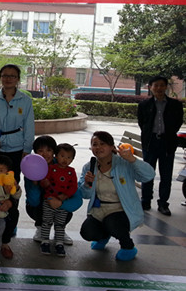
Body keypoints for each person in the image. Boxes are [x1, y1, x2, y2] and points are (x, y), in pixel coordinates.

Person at [0, 63, 34, 260]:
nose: (8, 78)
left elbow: (29, 125)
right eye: (5, 75)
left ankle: (5, 240)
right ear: (0, 77)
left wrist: (26, 150)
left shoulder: (25, 100)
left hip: (16, 150)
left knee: (10, 192)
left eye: (12, 76)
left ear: (18, 79)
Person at [79, 131, 155, 262]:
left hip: (121, 209)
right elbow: (84, 195)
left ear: (112, 147)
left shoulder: (123, 163)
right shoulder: (89, 167)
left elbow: (149, 175)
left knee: (112, 223)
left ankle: (128, 247)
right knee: (87, 232)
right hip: (98, 210)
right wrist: (86, 184)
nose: (98, 147)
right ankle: (104, 236)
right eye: (95, 144)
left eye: (102, 144)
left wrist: (133, 160)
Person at [137, 75, 184, 216]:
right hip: (150, 143)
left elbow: (178, 123)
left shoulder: (175, 105)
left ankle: (163, 204)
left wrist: (167, 133)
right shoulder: (144, 105)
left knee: (166, 175)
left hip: (167, 143)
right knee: (147, 173)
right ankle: (145, 201)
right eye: (156, 85)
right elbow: (142, 123)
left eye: (162, 85)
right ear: (150, 87)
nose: (159, 88)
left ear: (166, 87)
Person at [25, 135, 81, 246]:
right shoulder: (32, 168)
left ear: (54, 152)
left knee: (66, 208)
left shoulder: (63, 166)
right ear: (35, 152)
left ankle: (60, 231)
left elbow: (76, 196)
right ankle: (41, 228)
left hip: (59, 201)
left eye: (49, 150)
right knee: (36, 204)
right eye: (40, 151)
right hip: (40, 205)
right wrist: (35, 183)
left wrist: (62, 201)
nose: (45, 154)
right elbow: (32, 201)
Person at [39, 143, 78, 257]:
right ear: (56, 156)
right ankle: (44, 241)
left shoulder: (71, 171)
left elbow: (74, 187)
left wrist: (66, 195)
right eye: (62, 156)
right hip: (49, 200)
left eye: (69, 157)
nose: (65, 159)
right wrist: (44, 183)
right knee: (46, 222)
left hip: (62, 202)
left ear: (72, 159)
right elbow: (43, 182)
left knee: (60, 224)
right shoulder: (51, 168)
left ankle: (59, 243)